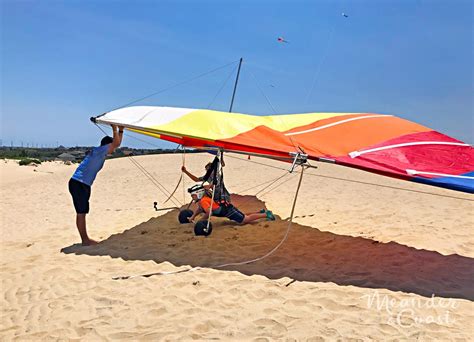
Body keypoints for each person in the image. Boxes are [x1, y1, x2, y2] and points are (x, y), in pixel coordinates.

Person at [68, 125, 124, 245]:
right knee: (81, 212)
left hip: (81, 184)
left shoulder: (98, 151)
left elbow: (116, 143)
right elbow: (116, 143)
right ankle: (85, 240)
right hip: (79, 183)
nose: (113, 150)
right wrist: (117, 129)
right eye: (112, 147)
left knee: (82, 211)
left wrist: (121, 130)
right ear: (107, 145)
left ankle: (85, 239)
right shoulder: (101, 150)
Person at [187, 184, 275, 225]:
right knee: (243, 216)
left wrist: (201, 221)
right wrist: (192, 217)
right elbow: (200, 209)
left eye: (193, 196)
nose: (192, 198)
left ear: (198, 193)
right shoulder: (202, 201)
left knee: (245, 220)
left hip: (227, 210)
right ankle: (260, 212)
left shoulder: (203, 201)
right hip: (226, 208)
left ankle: (266, 214)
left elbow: (209, 212)